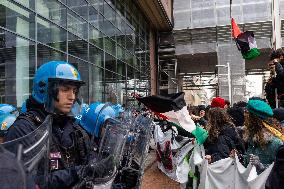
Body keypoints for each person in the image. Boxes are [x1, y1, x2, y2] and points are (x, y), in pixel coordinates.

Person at [5, 61, 95, 189]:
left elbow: (90, 159)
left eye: (75, 91)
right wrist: (76, 173)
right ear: (45, 89)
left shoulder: (71, 126)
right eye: (65, 90)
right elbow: (22, 182)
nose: (72, 97)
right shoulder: (24, 129)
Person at [244, 99, 283, 173]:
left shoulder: (275, 143)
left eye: (247, 116)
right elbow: (248, 161)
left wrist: (261, 166)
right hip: (251, 183)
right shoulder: (251, 138)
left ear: (254, 120)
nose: (245, 119)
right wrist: (239, 157)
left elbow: (280, 170)